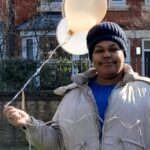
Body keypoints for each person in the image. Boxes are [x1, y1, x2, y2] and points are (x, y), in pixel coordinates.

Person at [3, 21, 150, 150]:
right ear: (92, 57)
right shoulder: (72, 95)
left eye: (113, 49)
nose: (106, 55)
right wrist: (28, 123)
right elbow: (57, 143)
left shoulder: (146, 92)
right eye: (99, 50)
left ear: (123, 53)